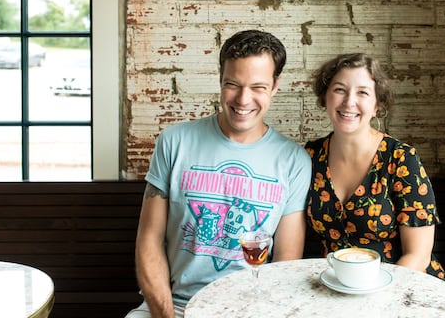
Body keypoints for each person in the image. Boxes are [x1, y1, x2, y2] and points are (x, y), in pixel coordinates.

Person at [126, 30, 312, 318]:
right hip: (172, 305)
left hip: (251, 308)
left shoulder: (294, 160)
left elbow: (284, 265)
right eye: (232, 84)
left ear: (275, 86)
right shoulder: (174, 141)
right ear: (220, 79)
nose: (243, 99)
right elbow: (148, 241)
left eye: (258, 87)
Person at [303, 53, 445, 280]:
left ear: (377, 104)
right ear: (325, 96)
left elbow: (418, 256)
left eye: (362, 92)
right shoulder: (310, 157)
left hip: (403, 285)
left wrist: (375, 298)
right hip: (337, 285)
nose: (349, 102)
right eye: (340, 89)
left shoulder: (400, 158)